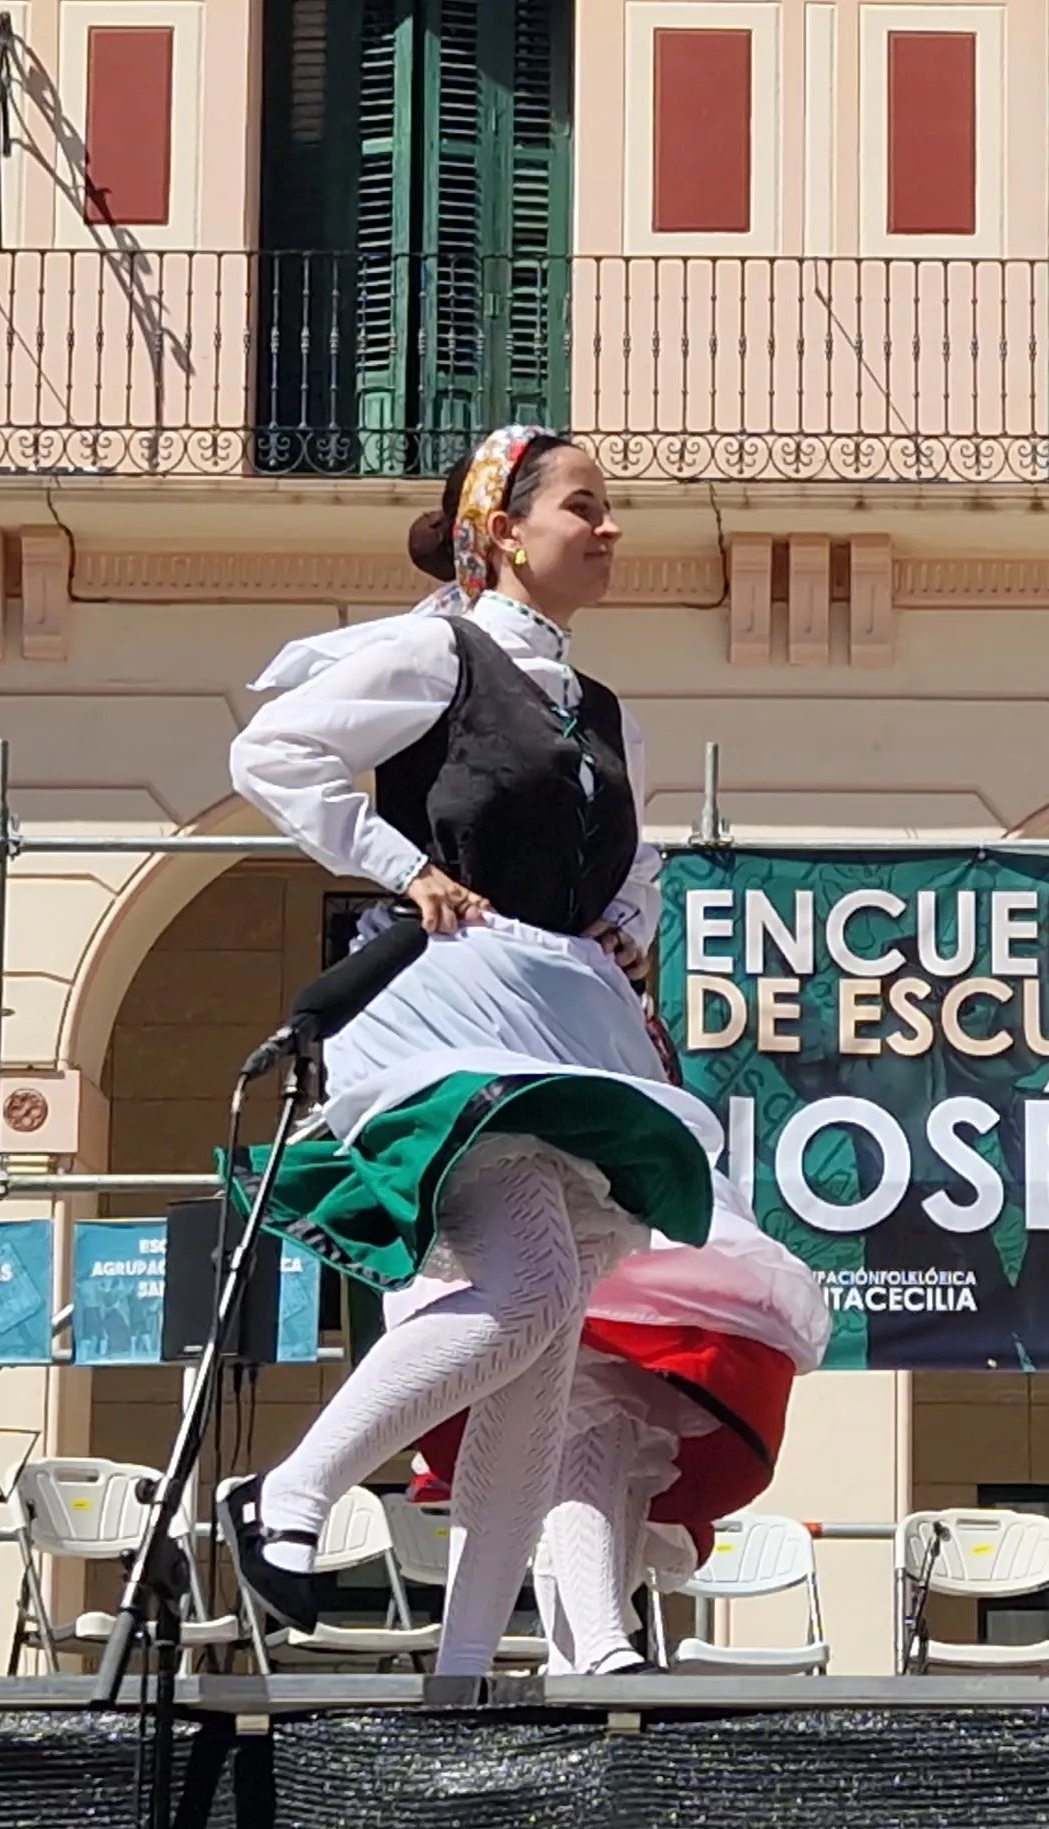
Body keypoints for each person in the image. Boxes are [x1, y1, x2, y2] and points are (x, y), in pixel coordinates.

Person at [216, 426, 723, 1676]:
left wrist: (629, 922)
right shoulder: (435, 648)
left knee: (544, 1363)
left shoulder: (602, 711)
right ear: (499, 531)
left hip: (567, 1016)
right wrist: (405, 866)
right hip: (453, 1006)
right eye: (586, 508)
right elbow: (273, 752)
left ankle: (464, 1670)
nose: (610, 531)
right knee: (538, 1294)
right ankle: (287, 1493)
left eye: (612, 511)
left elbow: (632, 854)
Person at [400, 1203, 833, 1674]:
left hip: (613, 1201)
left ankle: (583, 1656)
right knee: (577, 1408)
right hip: (552, 1219)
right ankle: (578, 1651)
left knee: (621, 1432)